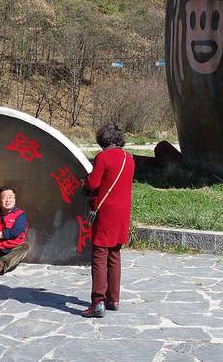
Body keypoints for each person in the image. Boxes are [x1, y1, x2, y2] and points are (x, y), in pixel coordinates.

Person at [81, 122, 135, 318]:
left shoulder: (103, 157)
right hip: (122, 213)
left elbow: (93, 183)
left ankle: (98, 302)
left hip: (105, 212)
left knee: (100, 254)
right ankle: (113, 299)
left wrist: (85, 181)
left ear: (102, 139)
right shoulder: (129, 158)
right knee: (114, 254)